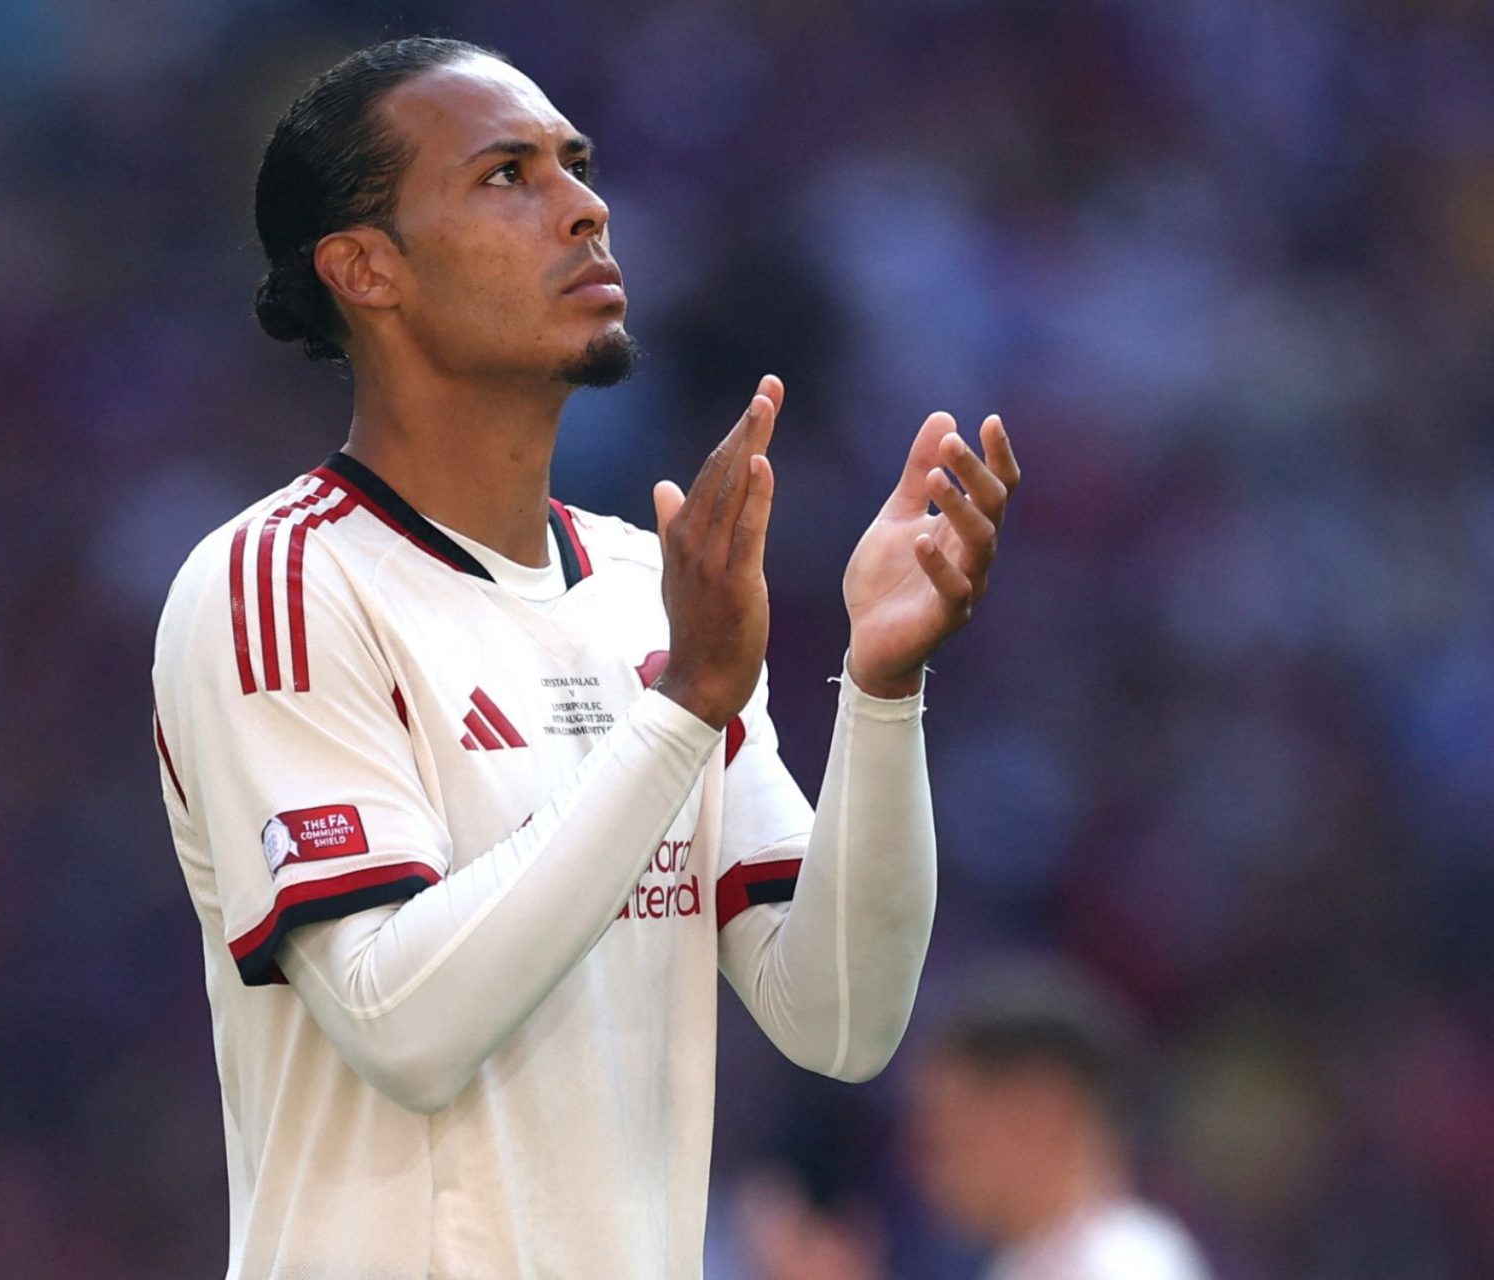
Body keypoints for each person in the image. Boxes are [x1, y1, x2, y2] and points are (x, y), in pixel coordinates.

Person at [146, 35, 1022, 1280]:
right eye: (506, 175)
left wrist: (881, 693)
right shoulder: (281, 581)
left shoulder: (644, 590)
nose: (585, 206)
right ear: (365, 268)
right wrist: (682, 707)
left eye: (577, 164)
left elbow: (838, 1014)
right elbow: (402, 1024)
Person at [740, 963, 1210, 1280]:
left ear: (1038, 1113)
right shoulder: (1047, 1262)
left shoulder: (1116, 1261)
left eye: (945, 1136)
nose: (918, 1165)